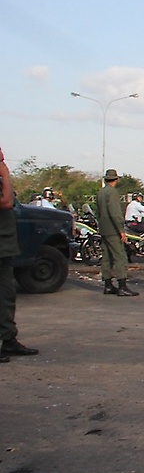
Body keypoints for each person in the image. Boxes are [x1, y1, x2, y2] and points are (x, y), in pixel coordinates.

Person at [0, 147, 40, 361]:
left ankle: (8, 339)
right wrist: (5, 173)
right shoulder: (2, 175)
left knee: (6, 295)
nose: (2, 156)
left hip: (5, 245)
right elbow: (6, 202)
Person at [96, 169, 138, 296]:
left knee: (106, 257)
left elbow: (98, 212)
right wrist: (121, 230)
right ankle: (122, 286)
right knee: (120, 257)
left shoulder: (100, 192)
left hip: (104, 228)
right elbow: (115, 213)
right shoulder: (112, 193)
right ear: (116, 179)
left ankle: (108, 285)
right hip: (113, 229)